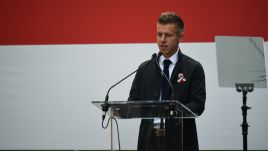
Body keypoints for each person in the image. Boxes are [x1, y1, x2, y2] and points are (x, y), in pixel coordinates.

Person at [128, 12, 206, 151]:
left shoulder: (193, 68)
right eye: (159, 34)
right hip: (148, 141)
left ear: (180, 37)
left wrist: (172, 111)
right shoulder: (145, 68)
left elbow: (198, 105)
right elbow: (133, 101)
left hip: (181, 140)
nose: (162, 39)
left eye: (168, 35)